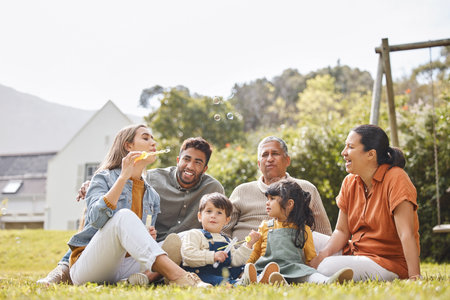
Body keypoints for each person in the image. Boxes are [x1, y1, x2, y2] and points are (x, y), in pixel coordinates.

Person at [37, 136, 223, 285]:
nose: (190, 166)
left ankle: (140, 280)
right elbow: (101, 221)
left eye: (198, 163)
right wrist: (95, 186)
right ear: (178, 160)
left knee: (183, 239)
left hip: (155, 250)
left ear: (205, 168)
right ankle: (62, 269)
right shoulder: (153, 179)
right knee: (118, 218)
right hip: (131, 248)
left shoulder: (212, 189)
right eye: (186, 159)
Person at [309, 125, 421, 281]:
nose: (343, 152)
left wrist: (414, 275)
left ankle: (306, 275)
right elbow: (341, 231)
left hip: (388, 263)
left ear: (371, 154)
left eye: (350, 147)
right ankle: (286, 273)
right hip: (356, 253)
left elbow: (406, 233)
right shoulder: (350, 182)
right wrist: (322, 255)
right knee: (302, 238)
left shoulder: (396, 179)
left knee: (326, 267)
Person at [223, 136, 332, 241]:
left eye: (275, 153)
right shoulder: (241, 191)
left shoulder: (307, 189)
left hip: (291, 256)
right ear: (259, 164)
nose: (270, 159)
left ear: (287, 160)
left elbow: (324, 235)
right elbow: (222, 230)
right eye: (265, 155)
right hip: (244, 256)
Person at [244, 179, 353, 285]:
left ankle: (327, 281)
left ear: (289, 204)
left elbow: (310, 257)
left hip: (294, 269)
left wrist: (311, 270)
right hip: (267, 268)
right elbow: (256, 252)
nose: (267, 203)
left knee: (310, 275)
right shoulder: (264, 227)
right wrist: (246, 266)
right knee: (264, 274)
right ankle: (269, 280)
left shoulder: (303, 230)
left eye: (272, 199)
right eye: (267, 199)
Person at [180, 193, 260, 285]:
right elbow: (188, 256)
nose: (213, 216)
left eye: (219, 213)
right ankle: (238, 284)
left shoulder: (226, 240)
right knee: (222, 281)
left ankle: (259, 278)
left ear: (227, 220)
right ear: (200, 216)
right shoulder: (194, 234)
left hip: (221, 272)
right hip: (201, 275)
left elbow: (235, 261)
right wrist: (212, 256)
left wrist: (248, 245)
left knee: (242, 267)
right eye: (209, 211)